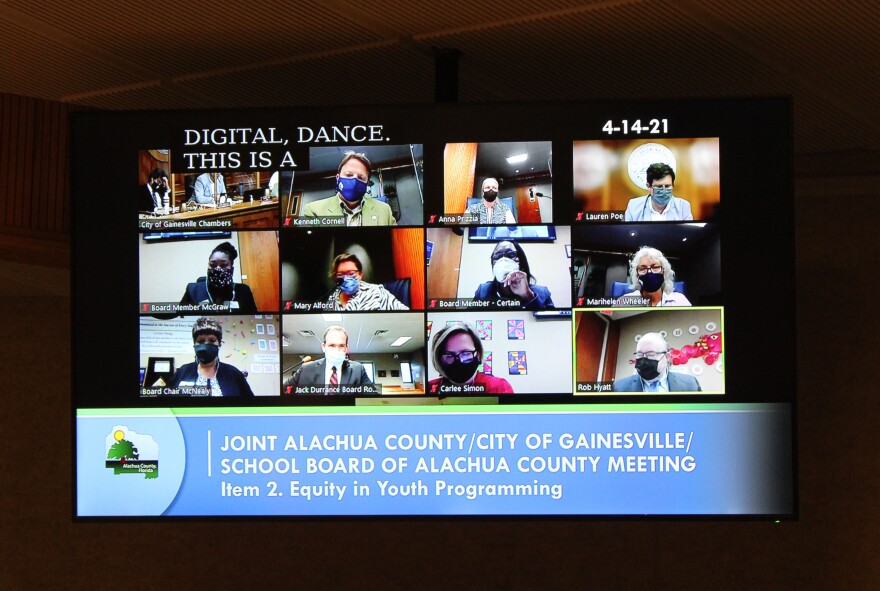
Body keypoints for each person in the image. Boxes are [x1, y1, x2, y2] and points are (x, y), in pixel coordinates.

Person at [301, 151, 396, 225]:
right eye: (349, 175)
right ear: (338, 178)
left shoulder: (384, 210)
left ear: (367, 183)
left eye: (360, 177)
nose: (354, 180)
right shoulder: (313, 210)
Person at [168, 317, 254, 397]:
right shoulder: (183, 371)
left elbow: (251, 405)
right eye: (200, 341)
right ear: (194, 344)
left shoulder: (234, 374)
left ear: (219, 343)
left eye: (212, 341)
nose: (205, 345)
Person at [283, 326, 375, 394]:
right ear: (324, 347)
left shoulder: (358, 370)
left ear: (346, 348)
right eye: (332, 345)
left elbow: (374, 398)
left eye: (341, 346)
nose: (337, 349)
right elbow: (282, 391)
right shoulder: (306, 369)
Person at [427, 323, 513, 394]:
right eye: (449, 356)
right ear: (440, 359)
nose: (458, 361)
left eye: (465, 353)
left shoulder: (499, 388)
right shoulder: (430, 389)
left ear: (478, 355)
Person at [473, 240, 554, 309]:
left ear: (521, 262)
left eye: (511, 254)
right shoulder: (483, 292)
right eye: (498, 256)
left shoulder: (542, 293)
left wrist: (527, 295)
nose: (503, 260)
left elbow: (550, 324)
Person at [180, 242, 258, 313]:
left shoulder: (244, 291)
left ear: (232, 269)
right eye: (213, 265)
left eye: (223, 265)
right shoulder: (192, 289)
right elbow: (180, 314)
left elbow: (253, 317)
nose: (217, 269)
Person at [613, 332, 702, 392]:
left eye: (651, 354)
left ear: (667, 357)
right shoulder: (619, 387)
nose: (644, 360)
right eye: (640, 354)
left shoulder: (690, 384)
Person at [325, 253, 408, 311]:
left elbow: (405, 314)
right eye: (341, 274)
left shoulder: (376, 291)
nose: (346, 278)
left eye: (351, 273)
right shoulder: (332, 298)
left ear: (360, 275)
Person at [617, 246, 691, 306]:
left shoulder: (680, 300)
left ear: (664, 271)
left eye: (655, 267)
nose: (649, 272)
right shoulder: (622, 302)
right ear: (637, 275)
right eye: (643, 268)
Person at [624, 163, 693, 222]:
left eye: (667, 186)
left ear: (673, 185)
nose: (664, 190)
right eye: (659, 186)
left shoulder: (683, 206)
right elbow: (627, 234)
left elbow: (690, 235)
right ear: (649, 186)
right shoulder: (634, 206)